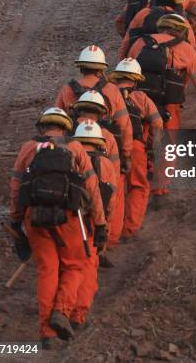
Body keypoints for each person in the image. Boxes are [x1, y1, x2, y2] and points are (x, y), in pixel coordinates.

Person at [9, 107, 106, 349]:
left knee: (47, 271)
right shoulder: (75, 149)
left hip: (36, 219)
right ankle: (62, 312)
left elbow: (16, 188)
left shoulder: (27, 149)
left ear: (42, 126)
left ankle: (47, 333)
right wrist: (101, 223)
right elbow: (92, 189)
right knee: (76, 265)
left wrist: (16, 221)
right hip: (70, 218)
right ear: (66, 127)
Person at [127, 14, 196, 201]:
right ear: (182, 31)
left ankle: (137, 183)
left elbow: (124, 73)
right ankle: (159, 192)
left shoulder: (139, 44)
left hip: (138, 101)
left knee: (138, 142)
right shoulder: (185, 49)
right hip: (169, 106)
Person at [107, 58, 163, 243]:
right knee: (138, 186)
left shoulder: (107, 95)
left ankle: (110, 234)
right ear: (137, 79)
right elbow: (157, 123)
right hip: (136, 149)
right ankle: (129, 230)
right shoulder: (141, 98)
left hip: (111, 148)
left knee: (114, 189)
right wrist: (153, 149)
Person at [55, 45, 133, 174]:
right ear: (102, 69)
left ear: (81, 68)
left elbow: (56, 125)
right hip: (106, 145)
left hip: (74, 146)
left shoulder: (67, 89)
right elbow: (124, 125)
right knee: (112, 185)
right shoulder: (112, 90)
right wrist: (126, 154)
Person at [70, 119, 117, 324]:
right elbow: (111, 200)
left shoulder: (69, 158)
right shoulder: (105, 164)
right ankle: (78, 315)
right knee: (88, 267)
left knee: (66, 267)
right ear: (99, 142)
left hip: (66, 222)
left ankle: (61, 310)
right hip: (90, 223)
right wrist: (103, 225)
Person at [70, 90, 121, 267]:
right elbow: (112, 188)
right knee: (84, 267)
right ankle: (99, 253)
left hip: (68, 212)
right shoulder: (107, 138)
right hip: (94, 214)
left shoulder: (67, 135)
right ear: (101, 112)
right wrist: (104, 226)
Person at [118, 0, 196, 61]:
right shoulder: (182, 21)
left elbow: (127, 41)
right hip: (172, 63)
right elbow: (192, 51)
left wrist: (123, 65)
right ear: (179, 1)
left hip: (141, 60)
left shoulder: (143, 13)